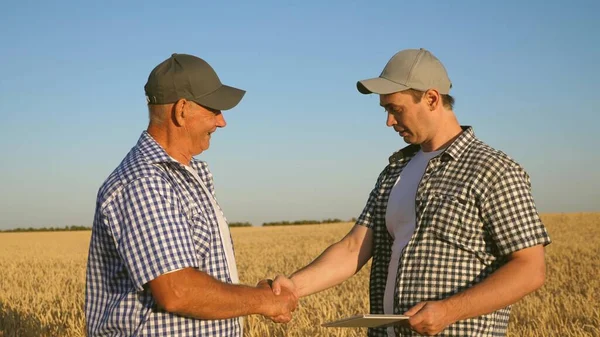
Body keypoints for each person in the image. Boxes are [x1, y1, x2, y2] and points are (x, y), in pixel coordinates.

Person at [270, 48, 551, 337]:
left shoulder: (493, 170)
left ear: (431, 98)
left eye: (395, 109)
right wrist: (294, 286)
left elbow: (530, 268)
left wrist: (448, 311)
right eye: (386, 110)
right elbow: (354, 247)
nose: (389, 121)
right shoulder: (395, 171)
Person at [85, 53, 297, 337]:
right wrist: (264, 301)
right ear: (182, 110)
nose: (222, 122)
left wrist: (257, 296)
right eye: (214, 110)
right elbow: (177, 290)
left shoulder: (182, 176)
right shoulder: (144, 181)